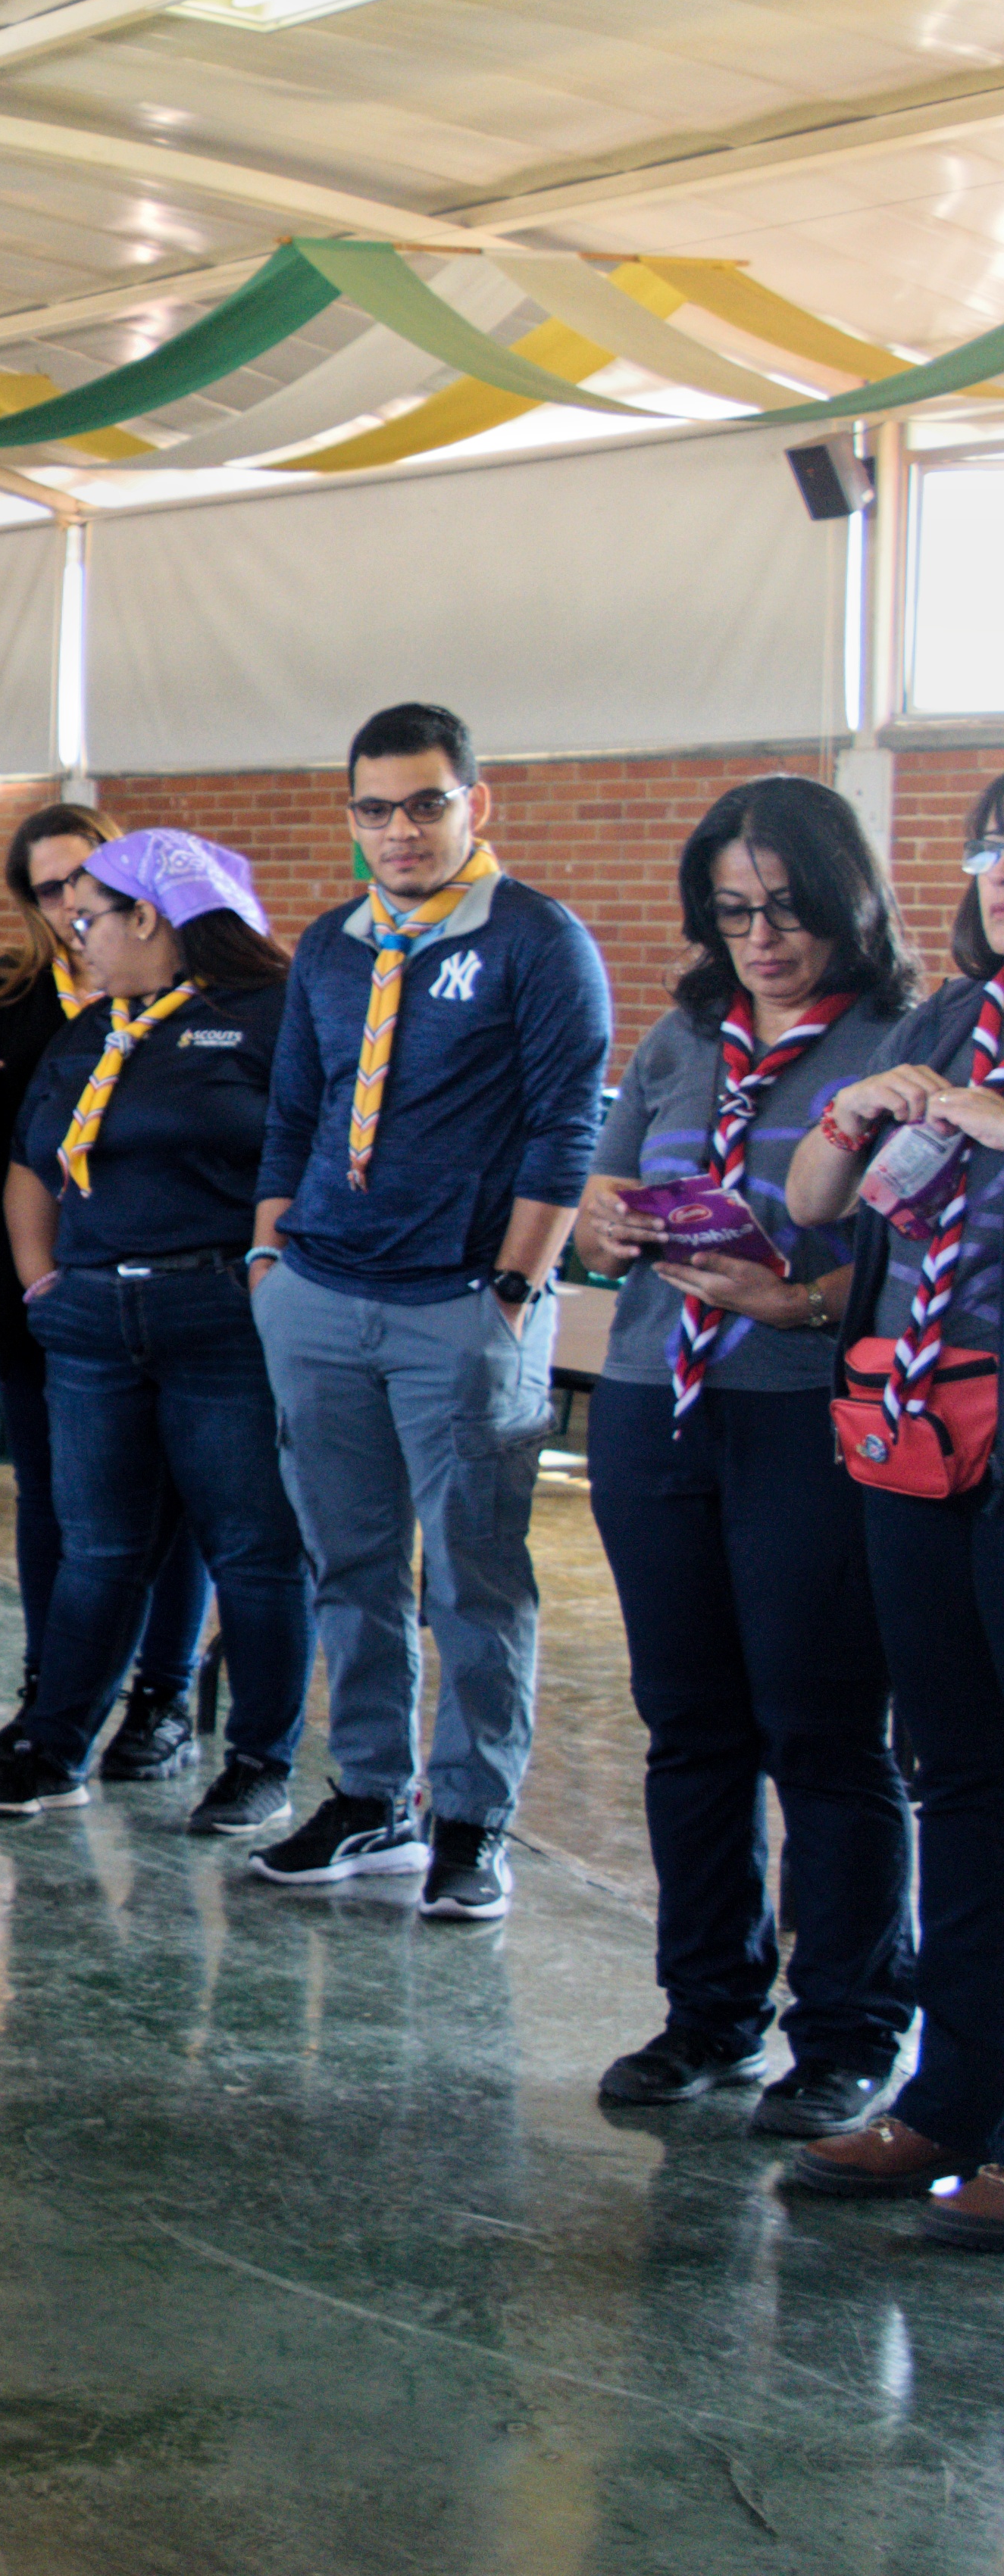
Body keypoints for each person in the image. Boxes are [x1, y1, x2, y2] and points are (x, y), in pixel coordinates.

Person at [571, 775, 915, 2129]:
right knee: (691, 1724)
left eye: (787, 911)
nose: (762, 939)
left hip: (803, 1410)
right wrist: (604, 1233)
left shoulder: (899, 1041)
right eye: (733, 913)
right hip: (659, 1400)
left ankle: (846, 2031)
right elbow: (605, 1196)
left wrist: (803, 1302)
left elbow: (924, 1261)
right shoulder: (679, 1039)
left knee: (823, 1729)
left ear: (846, 901)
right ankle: (707, 2013)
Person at [247, 700, 611, 1920]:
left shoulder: (536, 940)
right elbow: (293, 1111)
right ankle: (369, 1796)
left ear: (475, 804)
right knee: (350, 1567)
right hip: (323, 1298)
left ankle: (472, 1820)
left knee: (473, 1579)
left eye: (424, 804)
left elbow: (569, 1124)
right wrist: (269, 1263)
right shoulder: (334, 947)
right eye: (375, 808)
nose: (399, 830)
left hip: (462, 1306)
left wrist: (515, 1286)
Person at [0, 829, 311, 1837]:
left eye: (90, 921)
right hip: (95, 1323)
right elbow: (34, 1163)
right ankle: (56, 1748)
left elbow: (306, 1153)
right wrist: (42, 1287)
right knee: (99, 1546)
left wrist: (263, 1281)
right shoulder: (90, 1031)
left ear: (148, 917)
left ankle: (259, 1762)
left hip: (219, 1319)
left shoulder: (266, 1014)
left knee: (251, 1546)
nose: (78, 941)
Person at [771, 769, 1004, 2244]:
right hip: (923, 1428)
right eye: (1001, 855)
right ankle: (949, 2098)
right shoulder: (944, 1021)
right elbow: (811, 1204)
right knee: (960, 1773)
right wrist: (857, 1114)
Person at [0, 804, 210, 1776]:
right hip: (41, 1285)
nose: (66, 904)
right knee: (56, 1502)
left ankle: (161, 1698)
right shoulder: (11, 993)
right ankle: (57, 1687)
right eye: (46, 890)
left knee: (172, 1504)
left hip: (169, 1278)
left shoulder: (192, 982)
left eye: (80, 879)